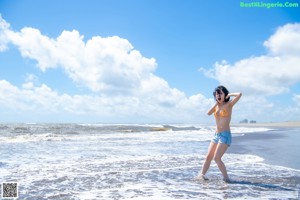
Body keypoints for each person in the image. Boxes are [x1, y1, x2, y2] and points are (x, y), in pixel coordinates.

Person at [198, 85, 242, 182]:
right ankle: (202, 176)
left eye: (220, 93)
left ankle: (226, 179)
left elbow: (239, 94)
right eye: (217, 94)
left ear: (225, 95)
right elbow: (208, 113)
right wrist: (216, 103)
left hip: (225, 135)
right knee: (208, 156)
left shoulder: (229, 104)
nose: (218, 95)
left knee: (217, 158)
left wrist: (228, 94)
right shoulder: (216, 106)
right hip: (216, 135)